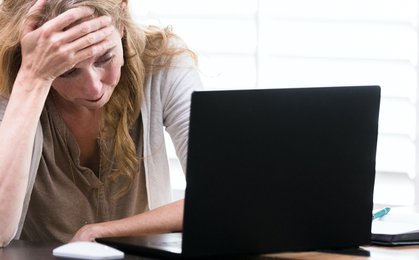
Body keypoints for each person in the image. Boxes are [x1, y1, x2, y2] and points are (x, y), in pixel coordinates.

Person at [0, 0, 202, 247]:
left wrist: (102, 231)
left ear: (123, 22)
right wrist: (33, 78)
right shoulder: (13, 82)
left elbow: (221, 199)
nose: (93, 87)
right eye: (67, 71)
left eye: (104, 58)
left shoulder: (161, 61)